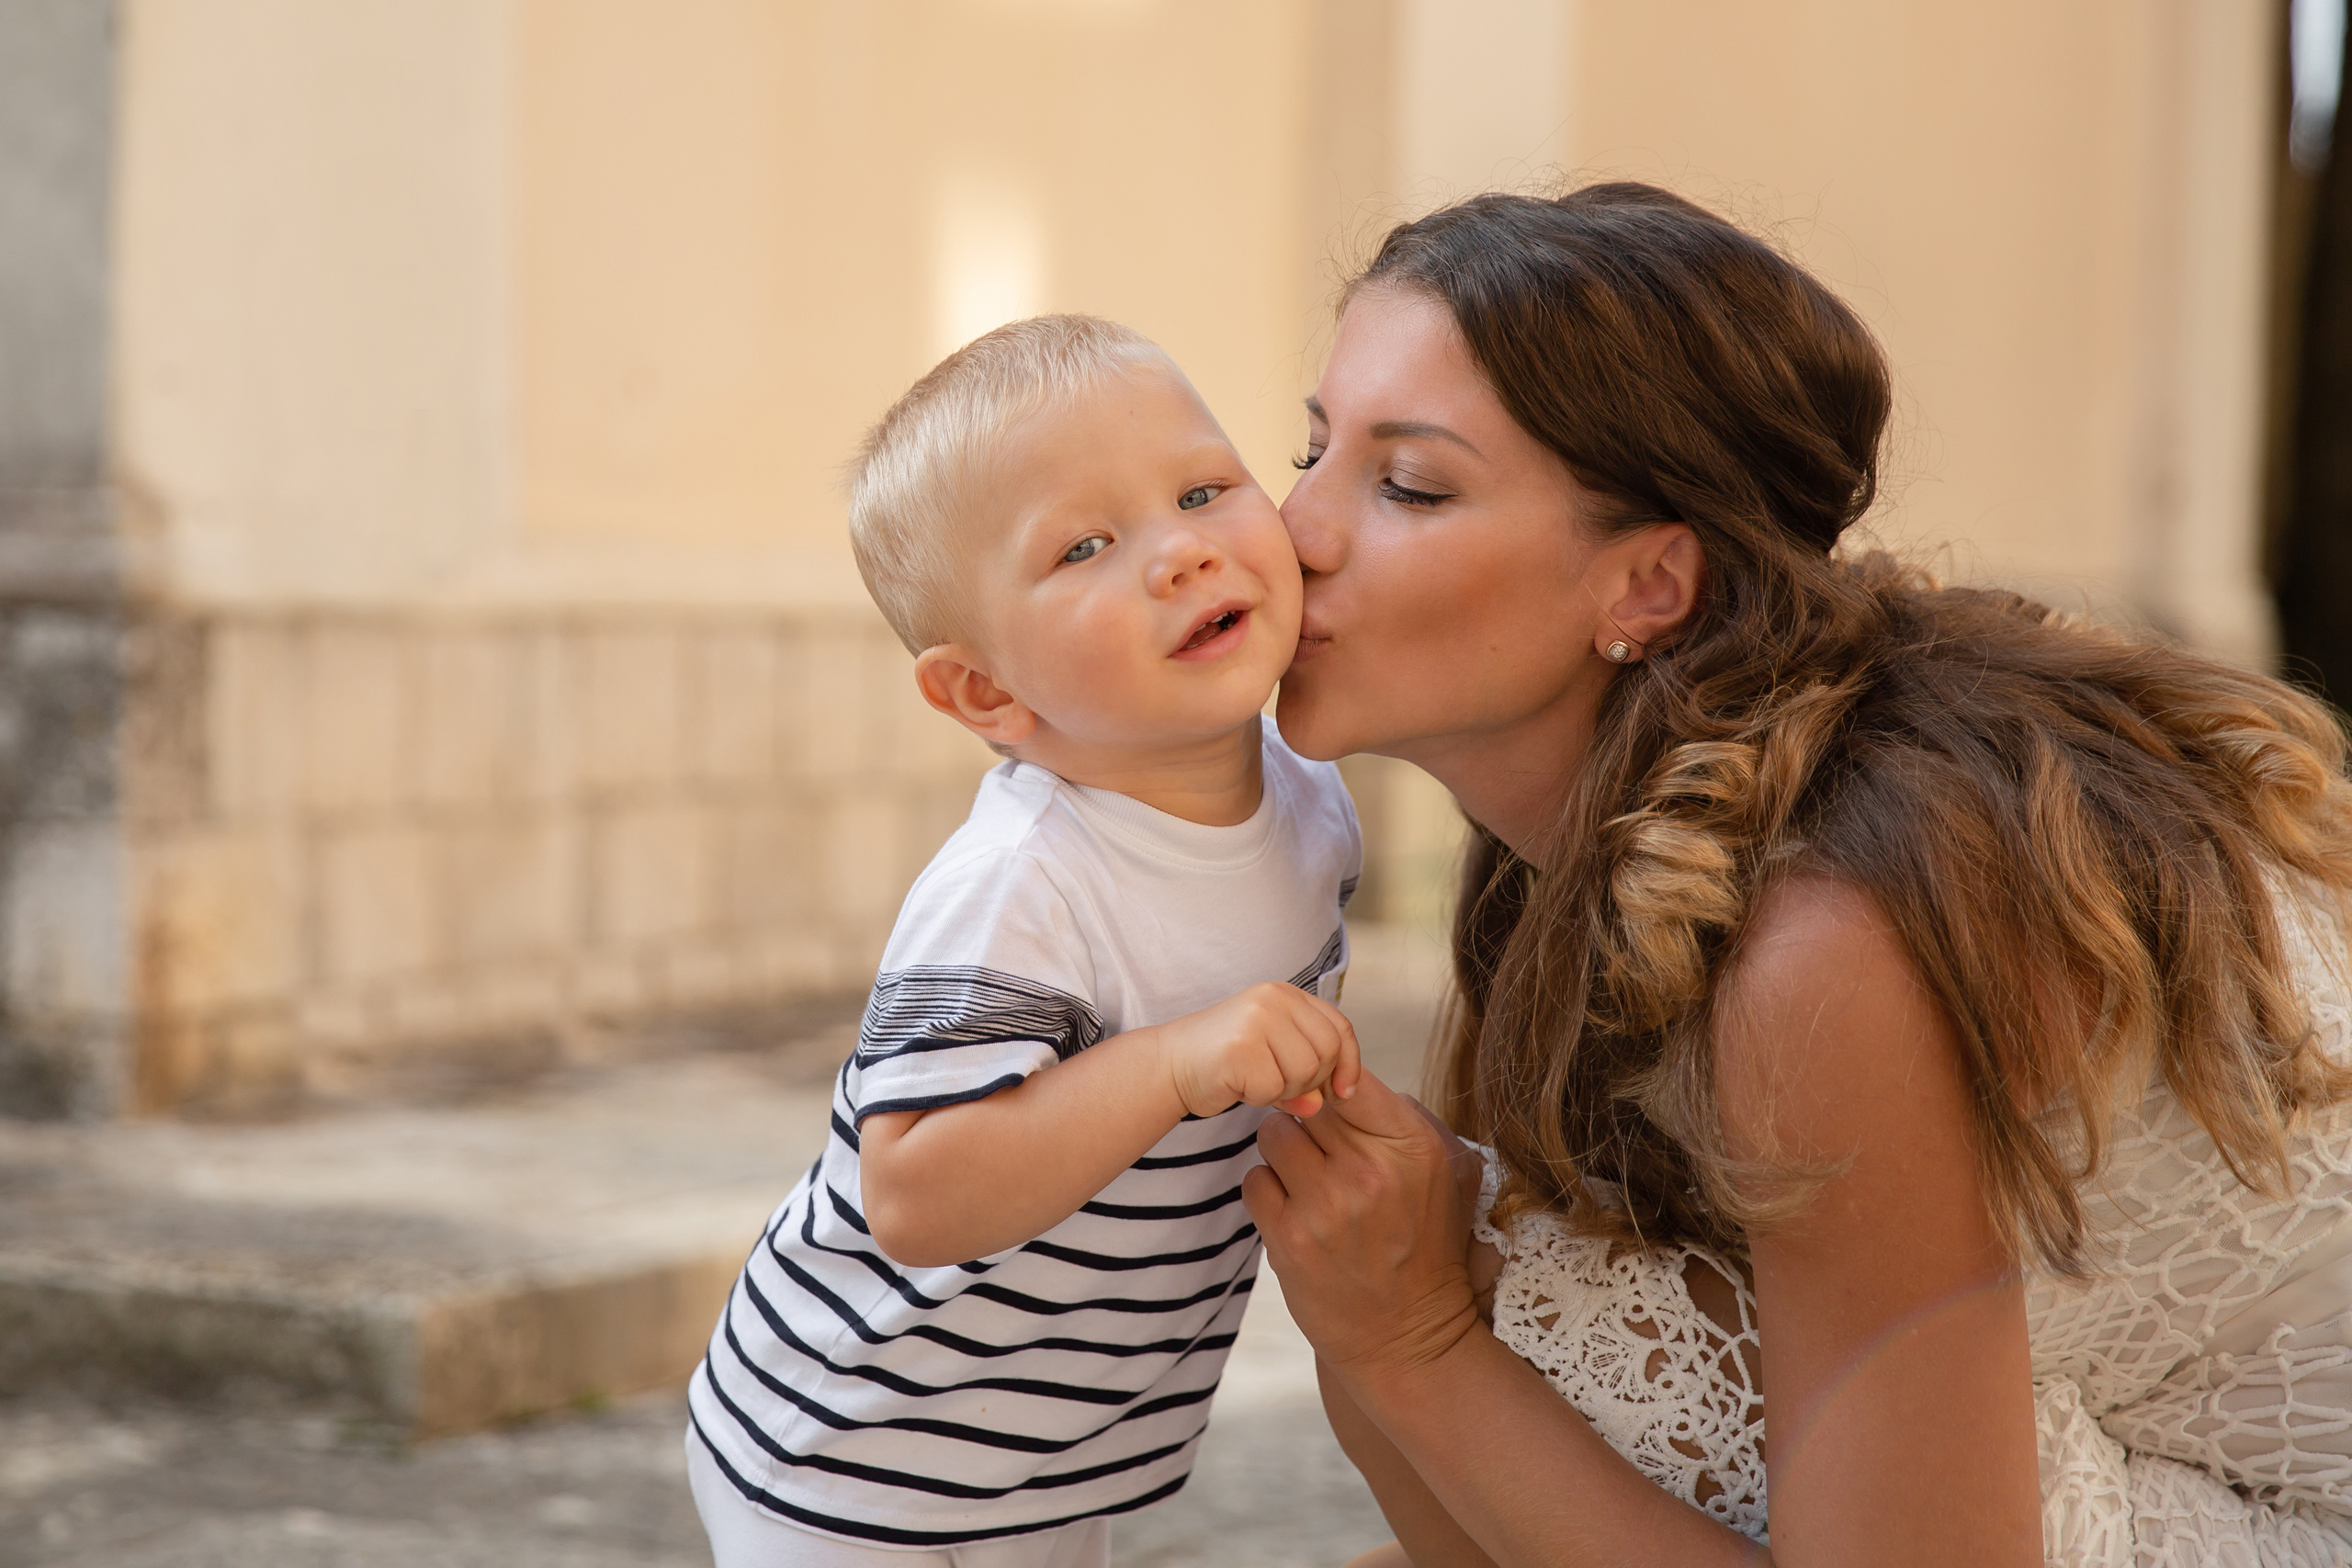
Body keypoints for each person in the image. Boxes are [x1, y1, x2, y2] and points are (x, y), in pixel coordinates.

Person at [1242, 185, 2352, 1566]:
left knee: (1482, 1299)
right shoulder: (1617, 833)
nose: (1292, 530)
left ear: (1649, 587)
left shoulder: (1824, 936)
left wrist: (1410, 1345)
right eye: (1310, 447)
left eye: (1408, 485)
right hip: (2149, 1449)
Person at [685, 315, 1364, 1566]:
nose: (1179, 552)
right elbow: (913, 1189)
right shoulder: (1026, 882)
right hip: (859, 1454)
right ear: (988, 695)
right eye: (1087, 546)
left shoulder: (1311, 804)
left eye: (1205, 490)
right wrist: (1171, 1063)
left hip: (1048, 1458)